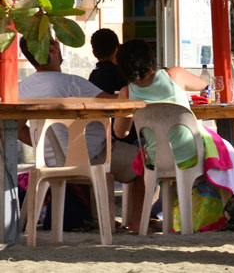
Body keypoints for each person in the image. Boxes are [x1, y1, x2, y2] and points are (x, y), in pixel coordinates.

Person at [113, 40, 234, 232]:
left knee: (140, 160)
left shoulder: (126, 93)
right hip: (192, 155)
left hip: (156, 159)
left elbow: (120, 132)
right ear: (151, 58)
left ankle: (139, 221)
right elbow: (204, 84)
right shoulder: (175, 75)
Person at [16, 37, 147, 232]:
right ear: (51, 49)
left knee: (92, 152)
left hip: (48, 162)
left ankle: (99, 219)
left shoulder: (22, 87)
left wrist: (44, 146)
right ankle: (137, 223)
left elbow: (18, 130)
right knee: (146, 162)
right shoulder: (73, 83)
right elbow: (115, 104)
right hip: (93, 158)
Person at [88, 28, 138, 145]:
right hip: (127, 137)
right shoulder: (123, 75)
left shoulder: (93, 76)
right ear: (118, 48)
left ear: (94, 53)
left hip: (101, 135)